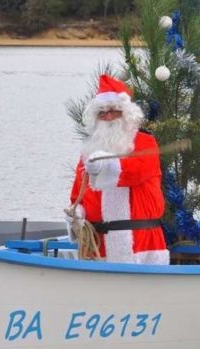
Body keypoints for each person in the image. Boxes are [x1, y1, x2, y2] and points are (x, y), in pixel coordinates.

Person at [66, 74, 169, 264]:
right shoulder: (88, 151)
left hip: (140, 244)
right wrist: (77, 214)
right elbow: (77, 195)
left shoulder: (144, 142)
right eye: (102, 113)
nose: (108, 117)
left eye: (114, 111)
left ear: (127, 113)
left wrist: (106, 165)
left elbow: (136, 172)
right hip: (97, 246)